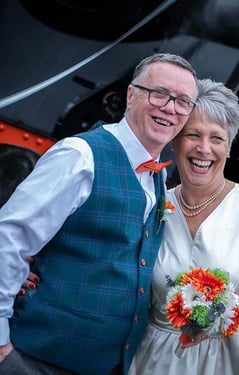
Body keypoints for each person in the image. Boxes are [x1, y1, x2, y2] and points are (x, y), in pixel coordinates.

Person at [0, 53, 198, 375]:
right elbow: (8, 239)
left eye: (183, 102)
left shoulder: (160, 177)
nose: (170, 108)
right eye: (159, 93)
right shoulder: (79, 156)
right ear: (131, 95)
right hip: (35, 359)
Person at [128, 78, 239, 375]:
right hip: (154, 362)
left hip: (235, 364)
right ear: (175, 140)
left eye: (217, 138)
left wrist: (217, 315)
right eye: (192, 135)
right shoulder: (152, 204)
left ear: (230, 146)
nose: (203, 149)